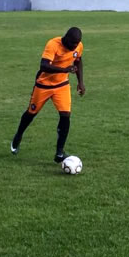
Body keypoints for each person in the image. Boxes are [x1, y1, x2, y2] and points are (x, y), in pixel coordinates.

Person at [10, 27, 85, 163]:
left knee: (65, 115)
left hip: (62, 86)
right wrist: (64, 69)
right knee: (31, 113)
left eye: (77, 43)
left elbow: (78, 61)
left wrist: (81, 83)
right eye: (72, 43)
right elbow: (43, 66)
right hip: (43, 85)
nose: (74, 46)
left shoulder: (78, 46)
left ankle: (59, 153)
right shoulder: (53, 44)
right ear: (66, 38)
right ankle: (18, 135)